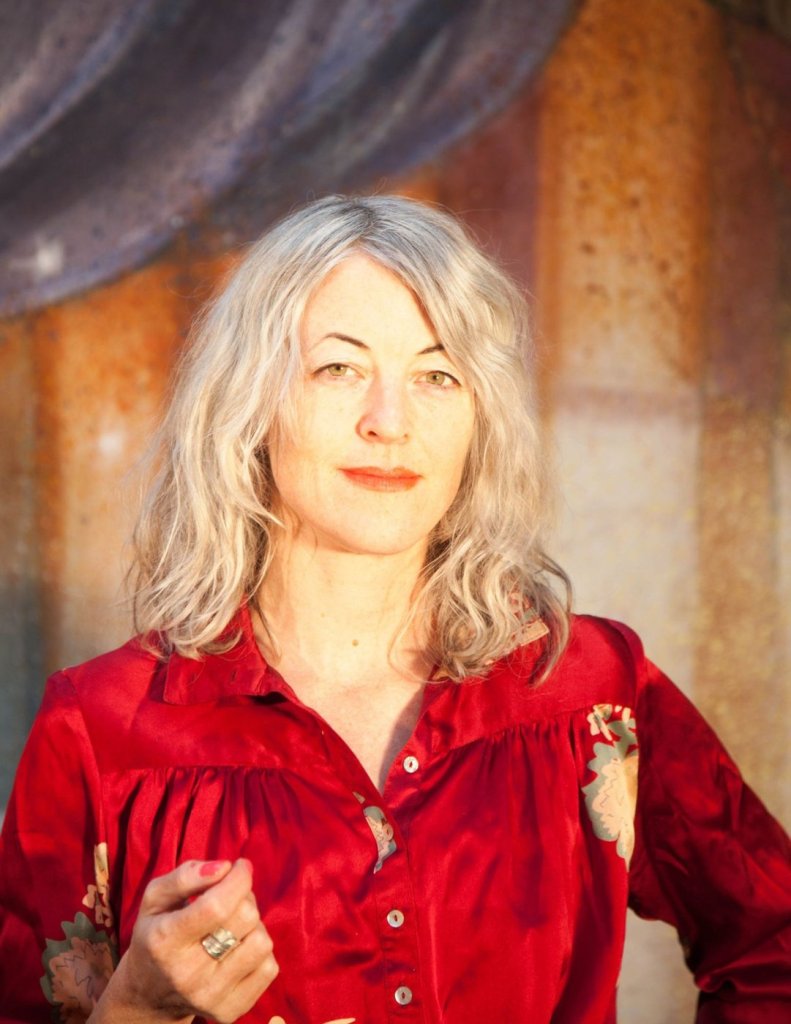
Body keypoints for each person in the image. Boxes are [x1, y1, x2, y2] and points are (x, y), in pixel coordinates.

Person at [0, 194, 789, 1024]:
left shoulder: (593, 692)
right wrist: (133, 1012)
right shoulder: (100, 729)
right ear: (249, 404)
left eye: (437, 375)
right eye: (338, 369)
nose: (389, 422)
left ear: (479, 420)